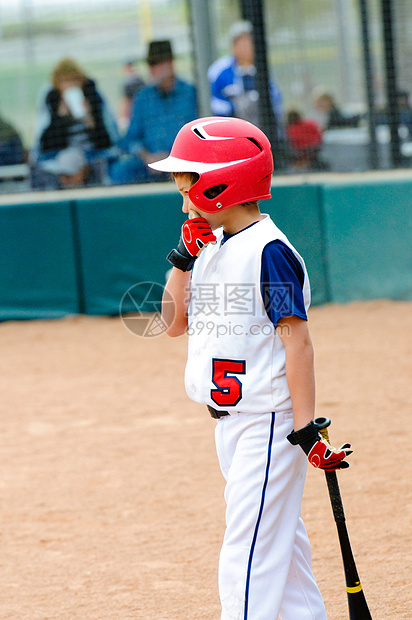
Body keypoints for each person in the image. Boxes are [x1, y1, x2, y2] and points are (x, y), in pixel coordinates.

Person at [149, 116, 352, 619]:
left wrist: (305, 428)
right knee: (281, 556)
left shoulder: (271, 253)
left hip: (268, 424)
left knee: (246, 556)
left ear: (225, 180)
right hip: (233, 429)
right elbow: (172, 324)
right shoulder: (213, 247)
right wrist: (182, 258)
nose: (184, 201)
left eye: (188, 186)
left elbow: (297, 342)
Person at [109, 40, 198, 186]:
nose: (152, 69)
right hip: (149, 165)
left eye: (157, 64)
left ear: (170, 64)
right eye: (151, 64)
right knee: (120, 171)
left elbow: (197, 135)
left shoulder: (190, 93)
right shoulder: (143, 97)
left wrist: (171, 156)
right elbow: (130, 139)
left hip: (183, 162)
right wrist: (147, 156)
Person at [30, 57, 119, 190]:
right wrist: (61, 119)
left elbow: (107, 141)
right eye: (65, 82)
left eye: (74, 81)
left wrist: (90, 119)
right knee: (68, 161)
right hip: (63, 156)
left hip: (92, 154)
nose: (70, 86)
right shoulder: (51, 102)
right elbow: (46, 145)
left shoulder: (93, 98)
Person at [208, 20, 283, 128]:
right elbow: (215, 103)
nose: (246, 47)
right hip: (231, 129)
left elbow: (276, 98)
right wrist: (234, 108)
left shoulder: (263, 68)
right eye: (241, 42)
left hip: (261, 128)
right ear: (233, 46)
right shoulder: (219, 70)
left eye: (250, 42)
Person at [118, 58, 145, 131]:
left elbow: (126, 102)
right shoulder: (141, 80)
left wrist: (123, 117)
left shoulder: (130, 83)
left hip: (134, 115)